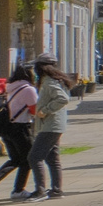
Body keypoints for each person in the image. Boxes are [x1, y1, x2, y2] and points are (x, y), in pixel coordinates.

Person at [0, 66, 38, 199]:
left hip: (7, 128)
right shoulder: (29, 89)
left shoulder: (11, 88)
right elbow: (34, 110)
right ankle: (18, 190)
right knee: (28, 159)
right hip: (21, 128)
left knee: (16, 159)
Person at [29, 56, 74, 198]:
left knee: (34, 157)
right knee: (52, 158)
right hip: (54, 124)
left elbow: (63, 99)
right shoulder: (55, 80)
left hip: (50, 124)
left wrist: (45, 110)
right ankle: (56, 190)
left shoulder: (49, 82)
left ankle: (40, 190)